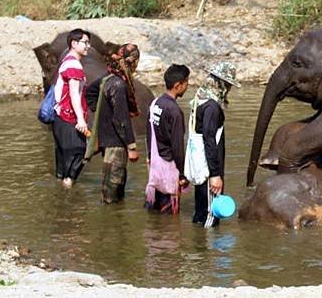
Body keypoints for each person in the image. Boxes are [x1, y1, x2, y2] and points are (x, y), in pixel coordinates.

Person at [85, 43, 140, 204]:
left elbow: (89, 93)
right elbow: (121, 119)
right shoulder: (119, 85)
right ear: (134, 63)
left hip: (108, 140)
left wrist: (103, 115)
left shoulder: (108, 78)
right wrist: (132, 147)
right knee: (112, 191)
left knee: (114, 186)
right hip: (116, 144)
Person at [188, 61, 240, 228]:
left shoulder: (200, 99)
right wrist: (215, 175)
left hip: (200, 166)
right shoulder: (212, 107)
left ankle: (197, 250)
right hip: (208, 170)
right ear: (222, 84)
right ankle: (207, 253)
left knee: (200, 213)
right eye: (228, 85)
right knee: (210, 218)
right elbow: (210, 141)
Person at [144, 64, 190, 214]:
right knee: (170, 216)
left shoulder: (155, 103)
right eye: (186, 83)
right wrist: (183, 174)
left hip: (155, 165)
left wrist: (149, 157)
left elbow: (149, 133)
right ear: (178, 85)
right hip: (169, 167)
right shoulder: (174, 111)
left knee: (155, 211)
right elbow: (177, 146)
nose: (187, 86)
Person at [52, 28, 90, 188]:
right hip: (69, 119)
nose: (88, 46)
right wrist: (81, 120)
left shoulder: (66, 61)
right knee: (78, 154)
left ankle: (62, 199)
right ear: (74, 44)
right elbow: (74, 94)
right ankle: (68, 197)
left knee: (63, 162)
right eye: (85, 42)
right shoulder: (74, 64)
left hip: (59, 118)